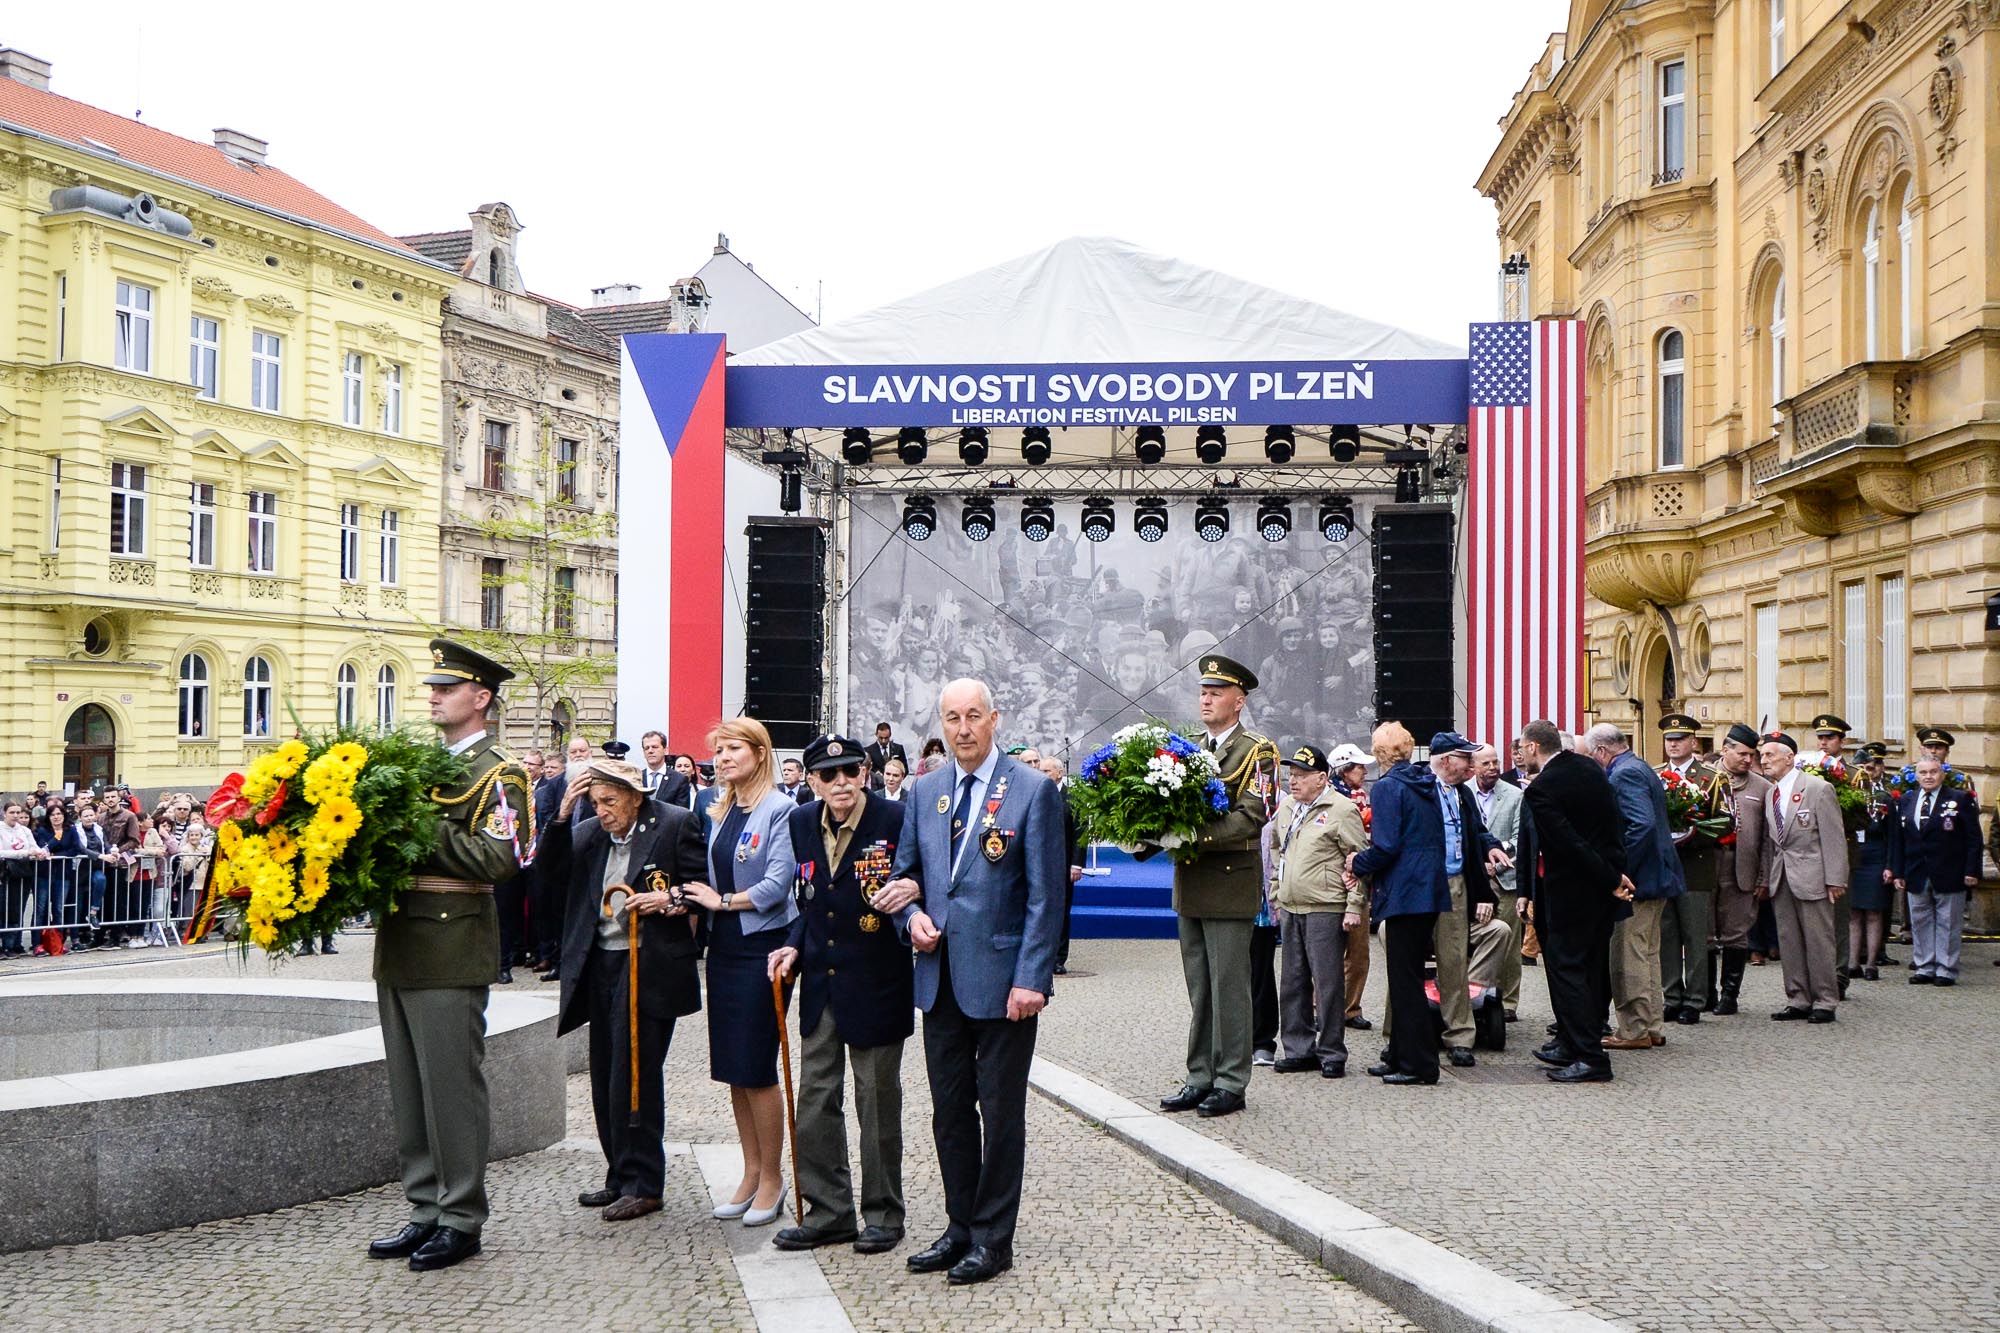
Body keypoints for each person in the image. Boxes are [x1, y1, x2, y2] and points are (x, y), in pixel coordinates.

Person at [880, 678, 1062, 1286]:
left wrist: (1033, 977)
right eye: (952, 717)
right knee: (949, 1111)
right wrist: (912, 920)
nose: (962, 728)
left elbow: (1045, 895)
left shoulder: (1032, 790)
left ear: (994, 719)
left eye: (974, 717)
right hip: (939, 980)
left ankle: (992, 1238)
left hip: (1006, 981)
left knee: (1001, 1113)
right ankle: (959, 1226)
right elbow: (906, 876)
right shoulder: (926, 790)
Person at [367, 638, 534, 1273]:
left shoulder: (500, 772)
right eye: (432, 687)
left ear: (481, 698)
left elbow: (501, 860)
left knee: (450, 1087)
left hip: (452, 940)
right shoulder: (423, 764)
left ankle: (461, 1216)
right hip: (402, 938)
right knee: (411, 1088)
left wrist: (415, 825)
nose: (432, 696)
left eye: (446, 688)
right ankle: (424, 1209)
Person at [767, 735, 914, 1255]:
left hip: (877, 983)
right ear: (811, 781)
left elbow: (920, 878)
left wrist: (914, 889)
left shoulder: (897, 820)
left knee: (876, 1105)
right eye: (828, 775)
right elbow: (808, 903)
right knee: (814, 1102)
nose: (841, 782)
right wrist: (791, 948)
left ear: (867, 772)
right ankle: (830, 1213)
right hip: (822, 984)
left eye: (851, 771)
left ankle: (883, 1214)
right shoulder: (801, 822)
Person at [543, 758, 707, 1221]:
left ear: (636, 797)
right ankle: (618, 1173)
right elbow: (549, 876)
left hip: (649, 964)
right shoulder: (591, 831)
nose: (603, 811)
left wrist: (668, 899)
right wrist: (561, 816)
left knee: (635, 1074)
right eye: (595, 802)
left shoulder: (674, 824)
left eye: (611, 801)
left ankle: (644, 1182)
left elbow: (701, 886)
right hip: (600, 963)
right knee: (605, 1073)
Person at [671, 718, 798, 1228]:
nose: (722, 758)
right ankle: (750, 1172)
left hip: (763, 946)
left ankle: (774, 1177)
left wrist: (721, 901)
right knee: (732, 1068)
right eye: (717, 750)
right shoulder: (721, 809)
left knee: (756, 1065)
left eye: (732, 749)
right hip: (724, 947)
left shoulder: (781, 809)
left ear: (759, 752)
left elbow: (775, 885)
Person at [1160, 655, 1279, 1119]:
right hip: (1191, 883)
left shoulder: (1258, 751)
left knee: (1229, 987)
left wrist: (1192, 836)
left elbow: (1255, 813)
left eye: (1216, 692)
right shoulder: (1189, 748)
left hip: (1230, 884)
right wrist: (1148, 834)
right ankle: (1200, 1076)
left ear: (1239, 700)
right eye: (1203, 691)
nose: (1206, 698)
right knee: (1200, 988)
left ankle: (1231, 1080)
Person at [1380, 733, 1509, 1069]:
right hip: (1419, 886)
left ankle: (1460, 1036)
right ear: (1447, 760)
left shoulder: (1463, 794)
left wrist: (1491, 844)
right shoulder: (1419, 787)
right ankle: (1398, 1037)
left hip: (1454, 885)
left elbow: (1477, 831)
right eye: (1467, 758)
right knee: (1405, 963)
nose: (1472, 765)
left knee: (1453, 960)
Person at [1516, 720, 1632, 1084]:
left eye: (1521, 748)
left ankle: (1590, 1056)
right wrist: (1615, 872)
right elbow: (1612, 826)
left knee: (1568, 970)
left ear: (1534, 747)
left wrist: (1611, 878)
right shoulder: (1587, 766)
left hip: (1573, 892)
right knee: (1586, 966)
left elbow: (1569, 844)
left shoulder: (1542, 788)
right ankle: (1569, 1041)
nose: (1519, 755)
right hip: (1597, 889)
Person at [1348, 722, 1449, 1086]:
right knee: (1407, 977)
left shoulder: (1389, 788)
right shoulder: (1426, 784)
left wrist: (1356, 864)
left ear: (1379, 753)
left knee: (1405, 982)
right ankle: (1400, 1055)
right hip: (1429, 889)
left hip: (1406, 892)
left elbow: (1387, 846)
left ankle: (1419, 1065)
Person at [1268, 745, 1368, 1078]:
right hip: (1292, 905)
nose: (1293, 781)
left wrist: (1354, 906)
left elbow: (1358, 862)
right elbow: (1277, 854)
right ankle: (1298, 1049)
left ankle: (1332, 1051)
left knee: (1327, 983)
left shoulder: (1341, 809)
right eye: (1291, 775)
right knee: (1293, 982)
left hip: (1326, 906)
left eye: (1300, 775)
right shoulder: (1286, 807)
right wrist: (1276, 895)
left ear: (1321, 778)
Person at [1590, 724, 1685, 1053]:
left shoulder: (1622, 775)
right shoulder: (1640, 766)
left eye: (1593, 756)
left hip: (1639, 880)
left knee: (1627, 955)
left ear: (1602, 751)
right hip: (1656, 874)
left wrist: (1619, 871)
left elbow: (1640, 824)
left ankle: (1633, 1029)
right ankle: (1652, 1025)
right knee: (1647, 954)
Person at [1757, 732, 1847, 1023]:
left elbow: (1833, 838)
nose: (1764, 759)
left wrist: (1836, 878)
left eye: (1770, 754)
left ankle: (1825, 1000)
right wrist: (1766, 877)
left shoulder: (1817, 788)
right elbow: (1772, 842)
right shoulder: (1771, 793)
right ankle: (1798, 997)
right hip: (1782, 875)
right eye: (1762, 755)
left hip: (1813, 875)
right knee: (1789, 940)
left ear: (1789, 757)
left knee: (1819, 940)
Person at [1890, 756, 1983, 987]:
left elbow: (1974, 839)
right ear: (1916, 776)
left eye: (1933, 772)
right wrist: (1898, 871)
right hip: (1916, 871)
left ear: (1942, 774)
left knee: (1948, 923)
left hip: (1951, 870)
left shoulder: (1960, 799)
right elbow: (1898, 840)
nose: (1928, 777)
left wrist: (1972, 870)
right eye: (1923, 773)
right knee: (1920, 921)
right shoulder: (1907, 800)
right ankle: (1924, 966)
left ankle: (1946, 969)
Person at [1655, 714, 1721, 1023]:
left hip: (1695, 864)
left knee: (1695, 935)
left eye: (1679, 739)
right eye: (1669, 739)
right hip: (1665, 866)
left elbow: (1725, 821)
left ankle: (1695, 999)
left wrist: (1692, 834)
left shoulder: (1710, 777)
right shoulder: (1655, 775)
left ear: (1693, 742)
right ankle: (1671, 995)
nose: (1673, 744)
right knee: (1667, 932)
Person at [1710, 725, 1773, 1014]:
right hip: (1709, 865)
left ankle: (1730, 995)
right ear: (1726, 750)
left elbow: (1767, 839)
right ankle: (1705, 992)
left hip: (1742, 867)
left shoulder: (1762, 787)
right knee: (1706, 932)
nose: (1748, 760)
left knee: (1736, 933)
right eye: (1743, 754)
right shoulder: (1705, 778)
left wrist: (1764, 876)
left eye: (1752, 755)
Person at [1469, 744, 1525, 1019]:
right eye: (1486, 764)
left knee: (1509, 943)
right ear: (1473, 767)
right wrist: (1479, 865)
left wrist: (1496, 861)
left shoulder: (1514, 795)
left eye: (1495, 763)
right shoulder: (1461, 793)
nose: (1492, 768)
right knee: (1478, 939)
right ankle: (1477, 996)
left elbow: (1519, 838)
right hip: (1472, 881)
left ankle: (1508, 1002)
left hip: (1505, 880)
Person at [1327, 742, 1374, 1029]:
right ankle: (1321, 1009)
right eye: (1359, 766)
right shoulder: (1328, 798)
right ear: (1344, 770)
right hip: (1332, 883)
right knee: (1327, 950)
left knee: (1359, 952)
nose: (1365, 770)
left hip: (1360, 880)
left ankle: (1350, 1009)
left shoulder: (1363, 796)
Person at [1847, 743, 1896, 981]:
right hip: (1854, 856)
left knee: (1874, 912)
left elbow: (1893, 835)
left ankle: (1872, 963)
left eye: (1868, 768)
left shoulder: (1885, 797)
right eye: (1860, 769)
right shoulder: (1848, 794)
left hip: (1876, 856)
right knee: (1854, 913)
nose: (1865, 773)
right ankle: (1853, 962)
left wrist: (1890, 865)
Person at [1037, 755, 1086, 975]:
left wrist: (1076, 864)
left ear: (1059, 773)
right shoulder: (1034, 794)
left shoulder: (1073, 798)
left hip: (1064, 864)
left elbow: (1080, 833)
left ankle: (1058, 957)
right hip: (1037, 864)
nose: (1042, 774)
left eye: (1047, 771)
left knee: (1060, 911)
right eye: (1041, 770)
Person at [637, 730, 693, 807]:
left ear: (665, 750)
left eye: (655, 747)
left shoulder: (679, 780)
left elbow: (682, 814)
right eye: (646, 748)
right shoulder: (636, 778)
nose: (650, 751)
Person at [865, 723, 908, 793]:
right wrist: (875, 776)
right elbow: (867, 769)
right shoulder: (868, 750)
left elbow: (905, 768)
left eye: (886, 738)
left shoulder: (898, 749)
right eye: (881, 738)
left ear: (890, 735)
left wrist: (897, 778)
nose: (883, 741)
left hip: (895, 788)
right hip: (876, 788)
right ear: (876, 735)